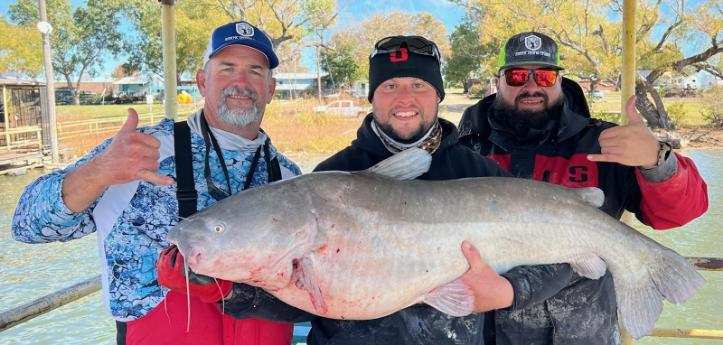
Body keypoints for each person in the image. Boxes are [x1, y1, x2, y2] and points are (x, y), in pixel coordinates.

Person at [158, 35, 514, 345]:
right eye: (389, 87)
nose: (404, 99)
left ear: (437, 94)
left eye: (418, 85)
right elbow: (296, 306)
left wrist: (510, 291)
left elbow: (559, 251)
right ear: (373, 97)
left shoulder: (480, 171)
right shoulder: (328, 177)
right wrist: (227, 292)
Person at [12, 21, 300, 345]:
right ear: (202, 81)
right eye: (227, 68)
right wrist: (100, 171)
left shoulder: (290, 179)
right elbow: (27, 224)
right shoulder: (141, 150)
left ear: (271, 89)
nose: (241, 81)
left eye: (255, 71)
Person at [457, 31, 709, 345]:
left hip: (581, 334)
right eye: (518, 75)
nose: (532, 86)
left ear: (560, 81)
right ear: (499, 82)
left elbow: (682, 212)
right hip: (483, 332)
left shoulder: (604, 141)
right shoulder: (463, 149)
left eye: (545, 76)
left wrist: (657, 159)